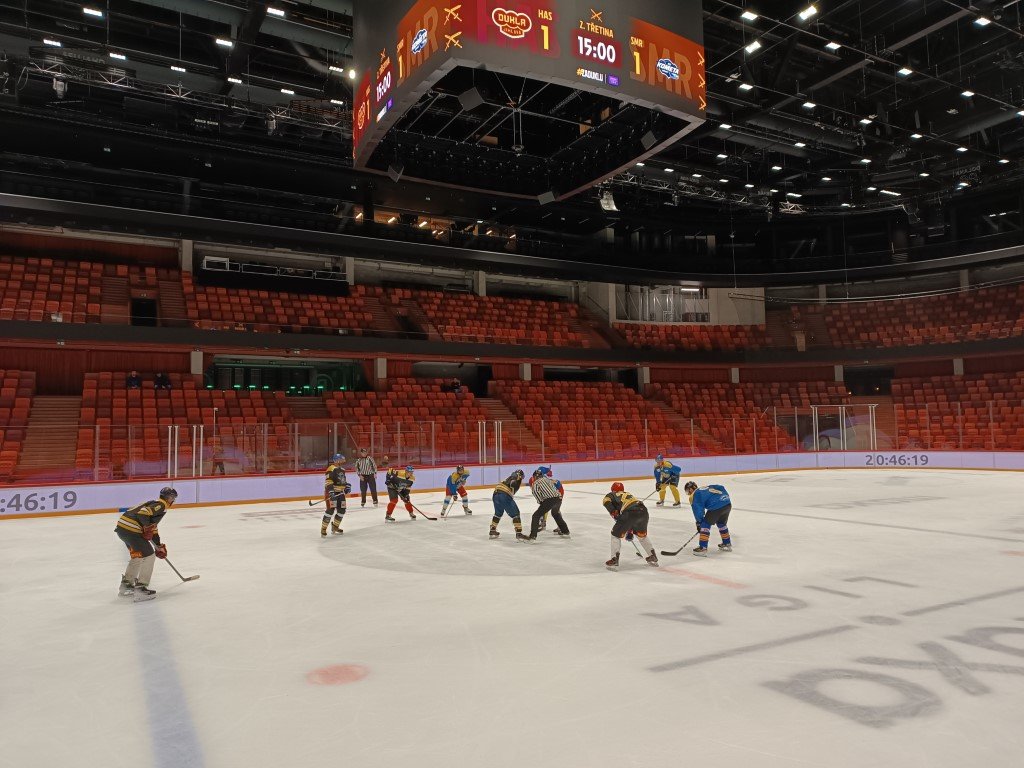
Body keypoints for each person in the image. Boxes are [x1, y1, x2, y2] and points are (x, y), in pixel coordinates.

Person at [115, 487, 178, 601]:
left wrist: (158, 545)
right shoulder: (161, 505)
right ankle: (141, 588)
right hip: (132, 530)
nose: (172, 500)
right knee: (149, 556)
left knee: (138, 556)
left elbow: (152, 527)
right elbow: (143, 513)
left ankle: (126, 586)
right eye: (172, 497)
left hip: (122, 529)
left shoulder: (153, 503)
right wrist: (146, 526)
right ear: (169, 498)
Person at [602, 482, 659, 569]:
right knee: (642, 536)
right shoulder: (627, 494)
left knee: (615, 535)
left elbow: (606, 501)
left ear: (613, 490)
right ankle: (652, 556)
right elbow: (632, 521)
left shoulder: (611, 495)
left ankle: (614, 559)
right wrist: (630, 531)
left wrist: (613, 511)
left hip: (629, 512)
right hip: (643, 511)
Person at [684, 480, 733, 557]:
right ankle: (727, 543)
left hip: (716, 506)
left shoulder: (694, 494)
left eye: (687, 491)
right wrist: (724, 498)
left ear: (690, 489)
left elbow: (698, 510)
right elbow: (721, 487)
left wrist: (699, 523)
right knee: (721, 524)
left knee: (705, 525)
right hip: (727, 503)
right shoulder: (705, 488)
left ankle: (703, 548)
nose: (688, 494)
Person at [525, 467, 569, 540]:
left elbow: (536, 493)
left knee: (536, 516)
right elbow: (554, 488)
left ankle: (533, 536)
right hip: (558, 497)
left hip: (550, 499)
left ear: (534, 477)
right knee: (555, 513)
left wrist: (541, 502)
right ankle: (565, 531)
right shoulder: (547, 480)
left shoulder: (535, 483)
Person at [490, 469, 527, 540]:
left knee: (498, 513)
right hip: (504, 495)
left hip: (496, 494)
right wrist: (515, 481)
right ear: (520, 476)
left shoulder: (508, 478)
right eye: (522, 477)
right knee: (516, 514)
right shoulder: (516, 477)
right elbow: (513, 482)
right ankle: (519, 533)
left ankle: (492, 530)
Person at [321, 453, 350, 537]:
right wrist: (331, 492)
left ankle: (335, 527)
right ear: (336, 460)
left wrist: (346, 486)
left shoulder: (342, 469)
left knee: (342, 510)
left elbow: (342, 481)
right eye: (341, 459)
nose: (343, 461)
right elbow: (328, 481)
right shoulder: (331, 469)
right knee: (330, 510)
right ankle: (323, 528)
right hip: (332, 493)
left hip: (340, 494)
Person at [528, 465, 562, 532]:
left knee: (555, 509)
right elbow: (535, 491)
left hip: (557, 490)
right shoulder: (534, 479)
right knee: (544, 507)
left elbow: (536, 492)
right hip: (550, 491)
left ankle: (560, 526)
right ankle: (543, 523)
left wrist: (549, 472)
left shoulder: (541, 475)